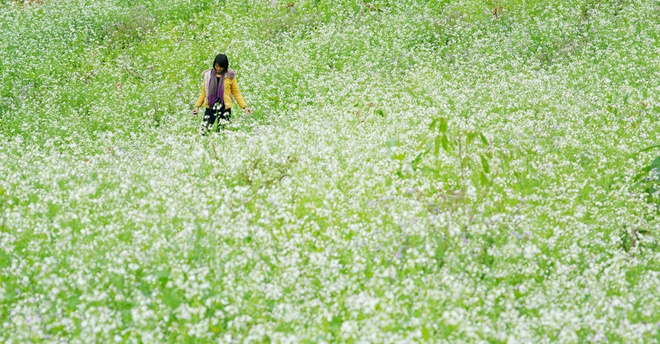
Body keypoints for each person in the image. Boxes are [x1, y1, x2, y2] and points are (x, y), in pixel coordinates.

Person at [193, 54, 252, 135]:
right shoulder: (208, 75)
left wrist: (245, 107)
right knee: (204, 132)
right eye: (216, 66)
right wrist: (197, 106)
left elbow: (236, 93)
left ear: (225, 66)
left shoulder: (230, 77)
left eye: (221, 67)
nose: (218, 69)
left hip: (225, 108)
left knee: (223, 133)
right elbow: (204, 92)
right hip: (210, 107)